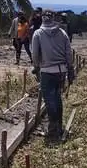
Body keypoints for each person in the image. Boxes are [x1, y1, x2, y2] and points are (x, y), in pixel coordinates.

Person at [31, 12, 75, 142]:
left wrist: (36, 67)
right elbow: (68, 52)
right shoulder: (62, 33)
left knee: (50, 101)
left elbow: (35, 54)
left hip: (46, 71)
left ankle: (52, 130)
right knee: (57, 98)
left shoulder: (38, 33)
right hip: (61, 71)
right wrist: (70, 68)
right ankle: (59, 127)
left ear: (43, 20)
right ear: (54, 19)